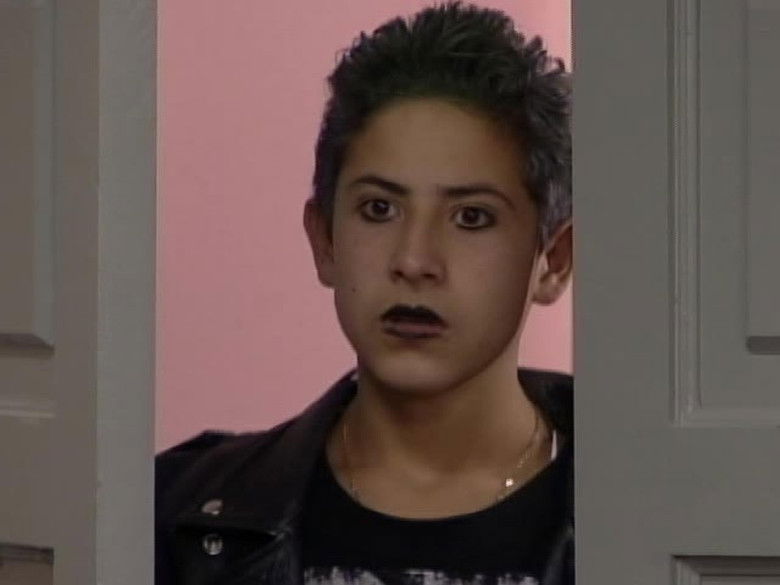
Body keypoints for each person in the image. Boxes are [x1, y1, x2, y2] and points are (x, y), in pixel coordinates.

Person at [155, 2, 573, 584]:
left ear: (553, 260)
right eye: (379, 209)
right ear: (325, 241)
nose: (414, 261)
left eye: (472, 217)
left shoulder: (651, 513)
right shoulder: (180, 517)